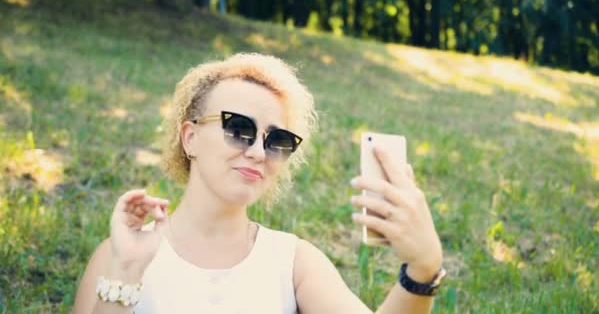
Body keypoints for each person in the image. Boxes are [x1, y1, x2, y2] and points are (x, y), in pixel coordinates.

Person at [73, 53, 445, 313]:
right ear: (190, 138)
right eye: (239, 128)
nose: (257, 151)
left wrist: (423, 271)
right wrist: (125, 274)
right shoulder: (119, 253)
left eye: (277, 140)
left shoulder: (294, 261)